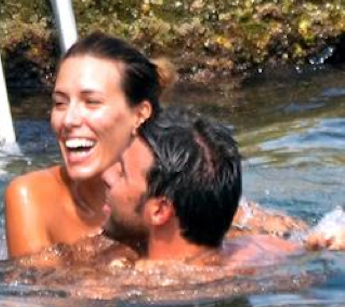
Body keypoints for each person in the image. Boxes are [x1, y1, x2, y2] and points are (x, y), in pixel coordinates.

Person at [5, 32, 175, 260]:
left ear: (139, 114)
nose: (68, 120)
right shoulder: (32, 197)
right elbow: (38, 283)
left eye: (92, 102)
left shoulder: (176, 189)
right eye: (60, 103)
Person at [101, 107, 314, 268]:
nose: (105, 174)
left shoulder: (126, 289)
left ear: (160, 210)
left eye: (121, 172)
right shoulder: (265, 247)